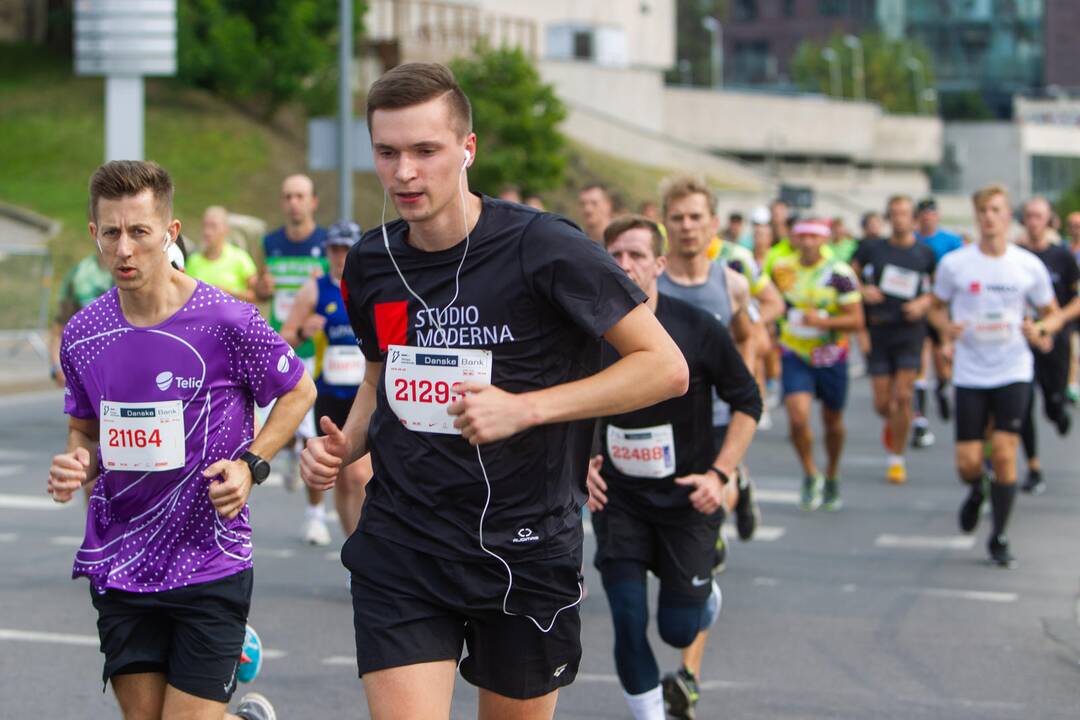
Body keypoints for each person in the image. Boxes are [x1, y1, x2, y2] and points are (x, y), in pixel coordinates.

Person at [300, 62, 688, 720]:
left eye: (426, 151)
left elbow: (664, 366)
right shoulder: (372, 261)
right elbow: (379, 374)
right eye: (387, 153)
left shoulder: (544, 248)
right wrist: (348, 442)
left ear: (467, 148)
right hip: (404, 542)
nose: (404, 174)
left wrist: (527, 408)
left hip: (524, 546)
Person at [47, 159, 317, 720]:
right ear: (94, 234)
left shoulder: (226, 320)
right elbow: (85, 430)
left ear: (169, 234)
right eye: (112, 233)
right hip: (120, 558)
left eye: (140, 232)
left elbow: (298, 391)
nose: (125, 250)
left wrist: (251, 465)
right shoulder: (84, 334)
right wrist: (77, 462)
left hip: (210, 558)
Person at [588, 216, 761, 720]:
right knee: (626, 616)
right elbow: (564, 403)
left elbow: (747, 401)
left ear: (659, 264)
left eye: (637, 255)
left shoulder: (697, 328)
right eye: (614, 255)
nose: (624, 265)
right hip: (619, 498)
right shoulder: (588, 329)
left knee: (678, 630)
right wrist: (583, 463)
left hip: (688, 497)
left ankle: (704, 596)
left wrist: (720, 475)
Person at [931, 184, 1056, 568]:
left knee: (1004, 452)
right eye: (983, 210)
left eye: (996, 210)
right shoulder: (955, 264)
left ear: (1007, 217)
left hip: (1013, 368)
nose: (989, 217)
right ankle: (976, 489)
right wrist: (945, 329)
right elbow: (936, 307)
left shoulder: (1027, 265)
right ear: (976, 216)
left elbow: (1050, 311)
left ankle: (999, 534)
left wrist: (1041, 330)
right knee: (968, 462)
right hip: (970, 372)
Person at [280, 221, 373, 540]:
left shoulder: (373, 286)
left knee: (361, 473)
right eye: (335, 249)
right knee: (344, 478)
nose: (341, 256)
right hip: (330, 393)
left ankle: (365, 550)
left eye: (347, 249)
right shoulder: (316, 289)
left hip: (369, 393)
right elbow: (285, 336)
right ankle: (354, 550)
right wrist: (305, 331)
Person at [254, 174, 331, 545]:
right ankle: (286, 452)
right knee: (277, 432)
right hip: (277, 347)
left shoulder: (327, 244)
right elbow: (260, 287)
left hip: (317, 352)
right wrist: (261, 287)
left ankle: (315, 516)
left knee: (313, 436)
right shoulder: (270, 242)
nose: (294, 203)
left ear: (313, 201)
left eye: (300, 196)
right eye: (288, 196)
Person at [769, 220, 864, 511]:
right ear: (795, 239)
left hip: (832, 356)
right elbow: (772, 303)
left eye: (814, 236)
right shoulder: (782, 268)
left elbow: (856, 320)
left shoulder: (839, 274)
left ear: (823, 239)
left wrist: (822, 322)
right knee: (798, 418)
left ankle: (832, 473)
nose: (808, 242)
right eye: (803, 236)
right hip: (795, 353)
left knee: (832, 422)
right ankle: (811, 473)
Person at [851, 196, 937, 484]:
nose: (900, 218)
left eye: (905, 213)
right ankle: (893, 424)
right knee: (882, 403)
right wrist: (863, 289)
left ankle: (896, 459)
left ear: (914, 219)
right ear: (889, 218)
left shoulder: (925, 253)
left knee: (903, 396)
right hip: (880, 328)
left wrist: (923, 303)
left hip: (910, 330)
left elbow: (939, 289)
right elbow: (848, 274)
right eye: (895, 213)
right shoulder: (874, 248)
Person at [1015, 197, 1077, 494]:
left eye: (1039, 216)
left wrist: (1056, 321)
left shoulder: (1062, 257)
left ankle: (1059, 410)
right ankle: (1034, 467)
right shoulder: (1016, 256)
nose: (1034, 221)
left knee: (1052, 404)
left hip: (1055, 339)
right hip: (1022, 342)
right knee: (1023, 406)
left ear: (1048, 219)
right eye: (1029, 216)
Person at [914, 197, 964, 435]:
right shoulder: (913, 240)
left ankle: (943, 385)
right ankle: (920, 415)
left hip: (942, 305)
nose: (927, 218)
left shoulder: (950, 241)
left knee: (942, 357)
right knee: (920, 357)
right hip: (918, 304)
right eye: (923, 214)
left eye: (931, 214)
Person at [49, 251, 112, 389]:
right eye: (111, 232)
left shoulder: (142, 273)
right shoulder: (79, 275)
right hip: (88, 373)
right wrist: (57, 367)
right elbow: (59, 329)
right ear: (94, 232)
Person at [186, 206, 258, 302]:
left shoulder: (240, 258)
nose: (207, 232)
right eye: (204, 226)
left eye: (213, 226)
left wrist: (228, 293)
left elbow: (257, 295)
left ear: (226, 230)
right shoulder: (193, 260)